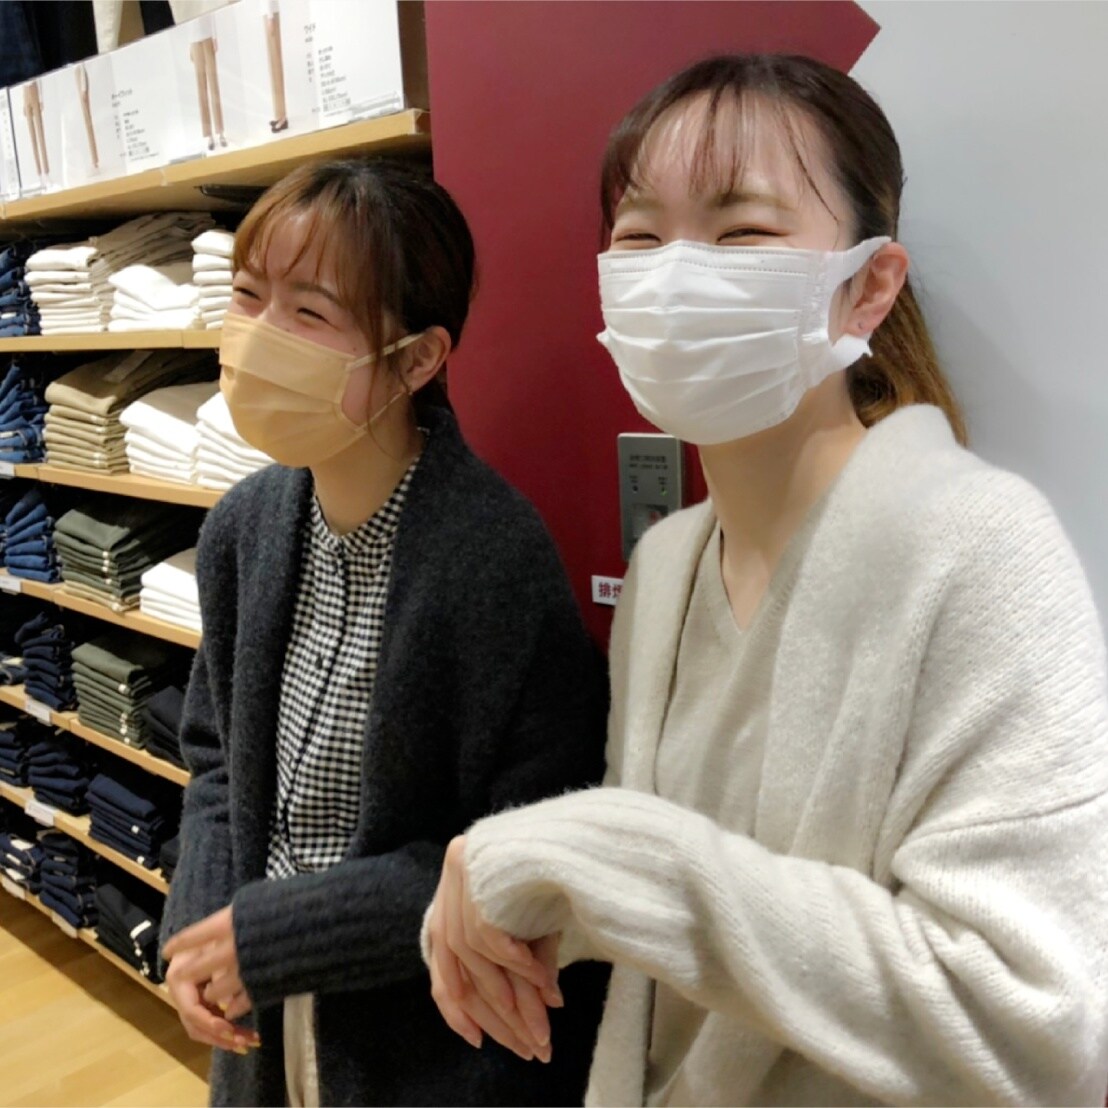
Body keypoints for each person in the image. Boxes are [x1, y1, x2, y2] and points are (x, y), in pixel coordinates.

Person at [425, 54, 1108, 1106]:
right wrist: (547, 898)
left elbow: (1033, 1028)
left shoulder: (983, 551)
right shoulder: (665, 567)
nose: (676, 275)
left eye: (743, 231)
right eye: (639, 237)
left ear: (868, 286)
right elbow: (695, 928)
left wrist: (597, 856)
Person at [159, 157, 609, 1107]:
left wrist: (279, 932)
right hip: (262, 1016)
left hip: (418, 1043)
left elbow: (524, 850)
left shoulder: (492, 556)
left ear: (415, 360)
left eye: (309, 313)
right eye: (248, 297)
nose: (259, 338)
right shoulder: (243, 527)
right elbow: (216, 761)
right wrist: (200, 927)